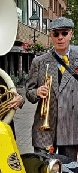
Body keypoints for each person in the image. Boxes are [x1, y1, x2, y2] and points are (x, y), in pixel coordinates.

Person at [26, 17, 78, 161]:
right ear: (51, 36)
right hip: (45, 128)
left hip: (70, 126)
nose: (60, 37)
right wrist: (36, 92)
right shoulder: (39, 61)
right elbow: (29, 93)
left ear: (71, 34)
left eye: (64, 33)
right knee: (43, 172)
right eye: (56, 34)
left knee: (68, 172)